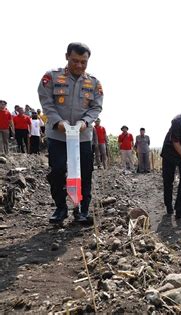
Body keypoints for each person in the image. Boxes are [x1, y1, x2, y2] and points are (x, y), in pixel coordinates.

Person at [38, 42, 103, 224]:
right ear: (67, 57)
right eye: (75, 61)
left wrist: (85, 121)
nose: (79, 65)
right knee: (58, 171)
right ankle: (60, 208)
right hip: (58, 135)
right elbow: (46, 102)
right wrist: (57, 121)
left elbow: (96, 107)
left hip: (82, 137)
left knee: (85, 173)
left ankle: (82, 210)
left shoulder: (94, 82)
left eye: (84, 62)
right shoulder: (51, 77)